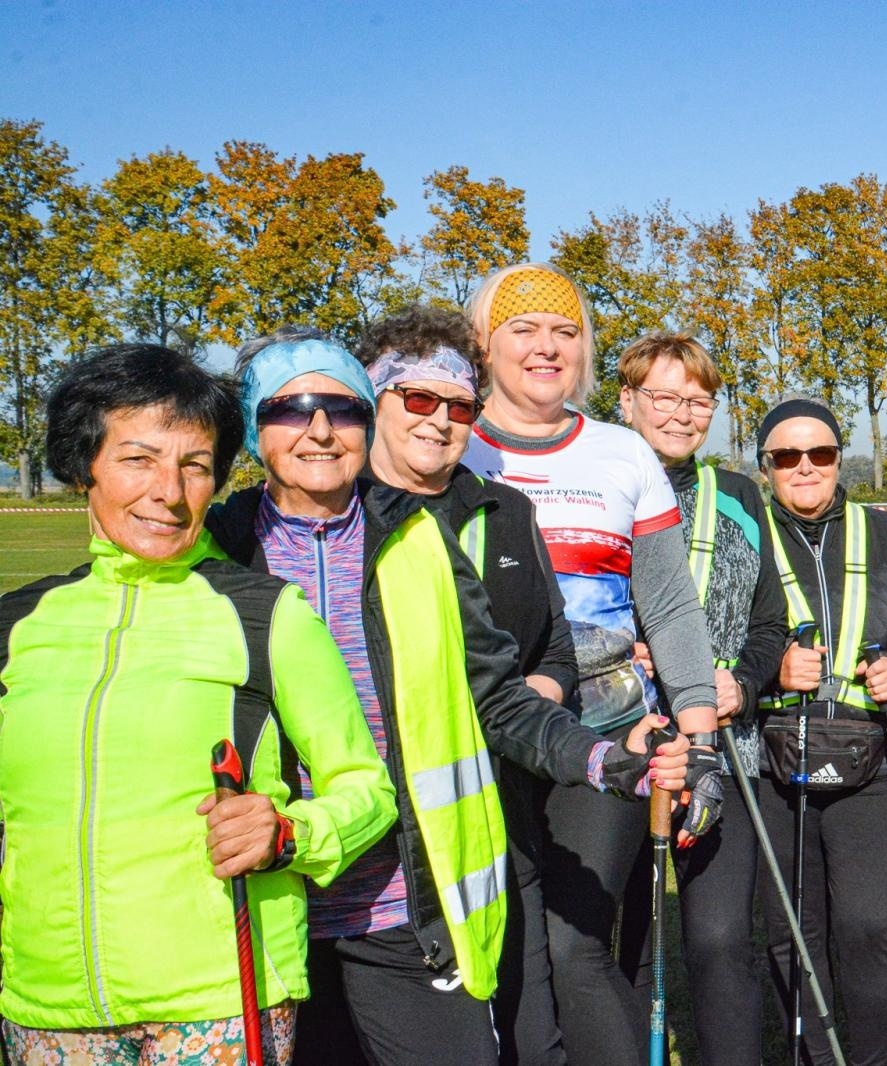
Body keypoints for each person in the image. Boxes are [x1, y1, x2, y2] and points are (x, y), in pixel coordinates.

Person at [207, 327, 689, 1066]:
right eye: (291, 408)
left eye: (342, 410)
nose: (319, 430)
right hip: (268, 905)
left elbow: (499, 699)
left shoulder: (419, 540)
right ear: (252, 424)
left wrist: (603, 758)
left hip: (402, 903)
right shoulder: (215, 545)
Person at [0, 344, 397, 1065]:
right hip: (47, 1006)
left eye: (195, 466)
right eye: (139, 460)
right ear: (85, 462)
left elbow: (366, 788)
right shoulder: (18, 624)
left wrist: (287, 833)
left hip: (219, 1006)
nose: (170, 492)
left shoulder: (264, 615)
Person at [462, 263, 721, 1066]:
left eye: (566, 332)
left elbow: (671, 608)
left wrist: (701, 739)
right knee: (505, 959)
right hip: (482, 742)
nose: (548, 348)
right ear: (484, 343)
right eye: (525, 330)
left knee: (576, 952)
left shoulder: (622, 454)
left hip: (609, 739)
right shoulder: (451, 445)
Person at [352, 304, 579, 1064]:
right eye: (418, 399)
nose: (440, 420)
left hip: (497, 818)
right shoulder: (329, 515)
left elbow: (556, 648)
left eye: (460, 406)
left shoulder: (503, 510)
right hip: (375, 847)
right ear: (372, 400)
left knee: (527, 1030)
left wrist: (537, 699)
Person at [613, 332, 787, 1066]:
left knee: (720, 940)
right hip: (621, 752)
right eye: (664, 396)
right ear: (626, 401)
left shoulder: (739, 494)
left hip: (723, 751)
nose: (683, 414)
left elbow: (771, 622)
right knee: (619, 941)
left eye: (699, 400)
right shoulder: (594, 486)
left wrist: (741, 685)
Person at [756, 397, 887, 1066]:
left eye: (822, 454)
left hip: (875, 756)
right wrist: (770, 667)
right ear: (765, 467)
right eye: (786, 456)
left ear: (840, 460)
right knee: (792, 931)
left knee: (868, 926)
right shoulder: (749, 531)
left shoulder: (882, 528)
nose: (805, 467)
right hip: (775, 763)